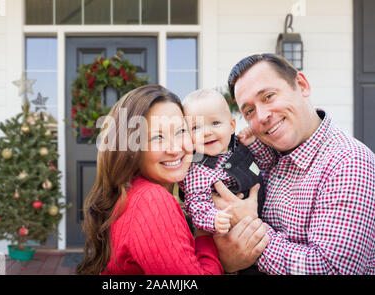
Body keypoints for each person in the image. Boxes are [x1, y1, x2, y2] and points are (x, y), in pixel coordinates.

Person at [75, 84, 270, 275]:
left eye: (180, 132)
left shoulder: (138, 191)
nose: (175, 149)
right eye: (157, 137)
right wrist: (219, 253)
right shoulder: (152, 201)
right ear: (131, 149)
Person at [213, 53, 375, 274]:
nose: (261, 116)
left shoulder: (348, 162)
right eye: (249, 111)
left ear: (302, 85)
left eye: (268, 96)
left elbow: (332, 269)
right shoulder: (264, 155)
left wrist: (251, 230)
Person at [178, 89, 265, 235]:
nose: (206, 132)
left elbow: (265, 164)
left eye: (215, 123)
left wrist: (253, 143)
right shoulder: (197, 170)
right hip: (232, 231)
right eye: (196, 127)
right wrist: (214, 219)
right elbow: (196, 205)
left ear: (231, 126)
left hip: (265, 219)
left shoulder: (239, 146)